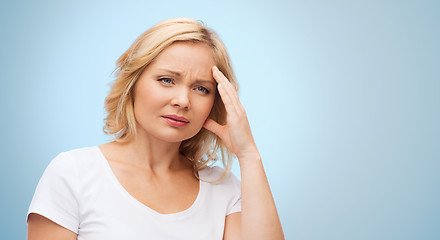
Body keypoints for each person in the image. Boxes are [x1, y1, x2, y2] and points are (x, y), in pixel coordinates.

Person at [27, 17, 284, 240]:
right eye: (166, 80)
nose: (183, 101)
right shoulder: (73, 174)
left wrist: (248, 155)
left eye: (201, 88)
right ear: (133, 84)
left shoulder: (223, 188)